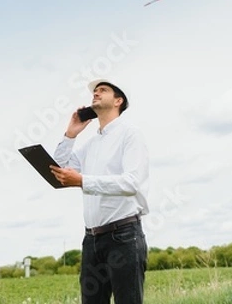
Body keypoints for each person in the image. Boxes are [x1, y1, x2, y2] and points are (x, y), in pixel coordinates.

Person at [50, 79, 150, 304]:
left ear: (118, 100)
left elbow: (132, 183)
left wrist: (83, 181)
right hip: (92, 239)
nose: (95, 94)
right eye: (94, 92)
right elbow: (57, 171)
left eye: (102, 90)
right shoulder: (91, 144)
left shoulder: (130, 134)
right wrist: (70, 134)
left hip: (124, 236)